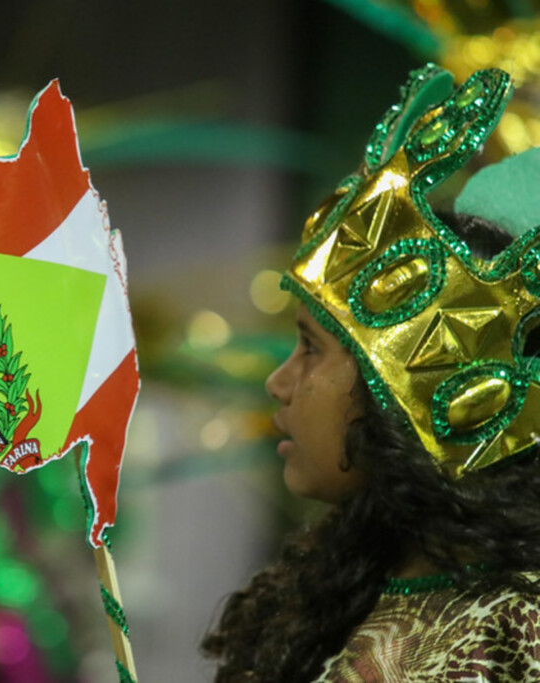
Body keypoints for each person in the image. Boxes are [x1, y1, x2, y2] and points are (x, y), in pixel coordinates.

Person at [203, 64, 540, 681]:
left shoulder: (509, 637)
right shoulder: (348, 588)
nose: (279, 383)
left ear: (405, 393)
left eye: (310, 349)